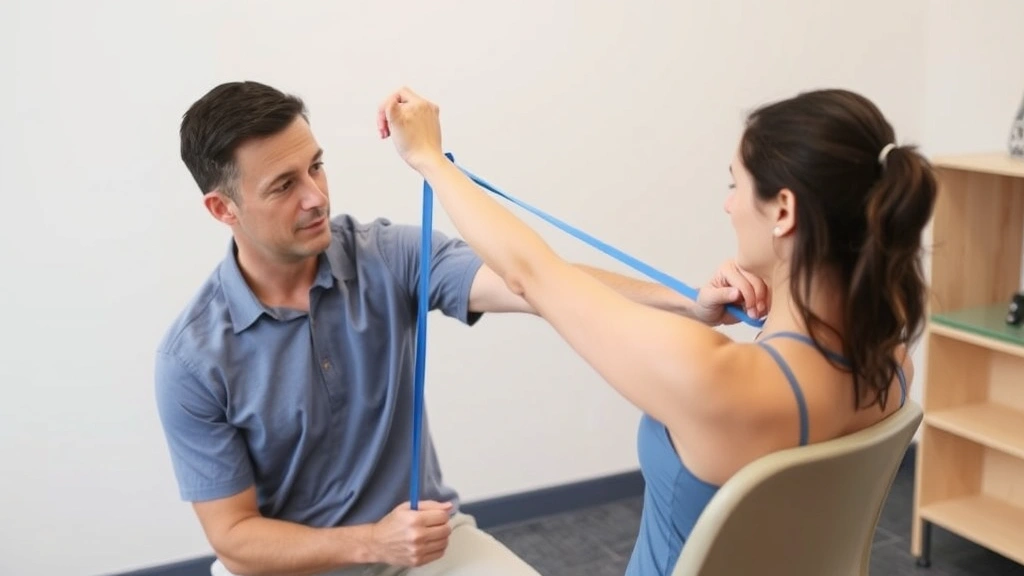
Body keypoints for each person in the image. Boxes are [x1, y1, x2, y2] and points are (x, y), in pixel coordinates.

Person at [154, 80, 764, 576]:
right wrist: (370, 541)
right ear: (222, 208)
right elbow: (235, 539)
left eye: (316, 167)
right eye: (285, 186)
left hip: (421, 547)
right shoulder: (192, 359)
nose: (316, 197)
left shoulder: (383, 255)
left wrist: (689, 303)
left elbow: (536, 283)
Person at [378, 86, 936, 575]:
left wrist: (430, 159)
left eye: (735, 185)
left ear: (784, 211)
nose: (728, 205)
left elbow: (532, 276)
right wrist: (717, 301)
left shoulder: (717, 380)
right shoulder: (891, 365)